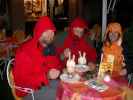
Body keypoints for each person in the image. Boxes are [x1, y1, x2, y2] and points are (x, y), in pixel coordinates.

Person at [12, 16, 62, 99]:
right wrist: (46, 76)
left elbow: (56, 66)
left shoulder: (50, 48)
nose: (50, 35)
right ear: (39, 32)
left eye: (52, 31)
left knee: (66, 88)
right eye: (46, 31)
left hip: (46, 84)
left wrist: (62, 70)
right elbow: (20, 84)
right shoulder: (25, 51)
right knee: (59, 96)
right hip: (29, 92)